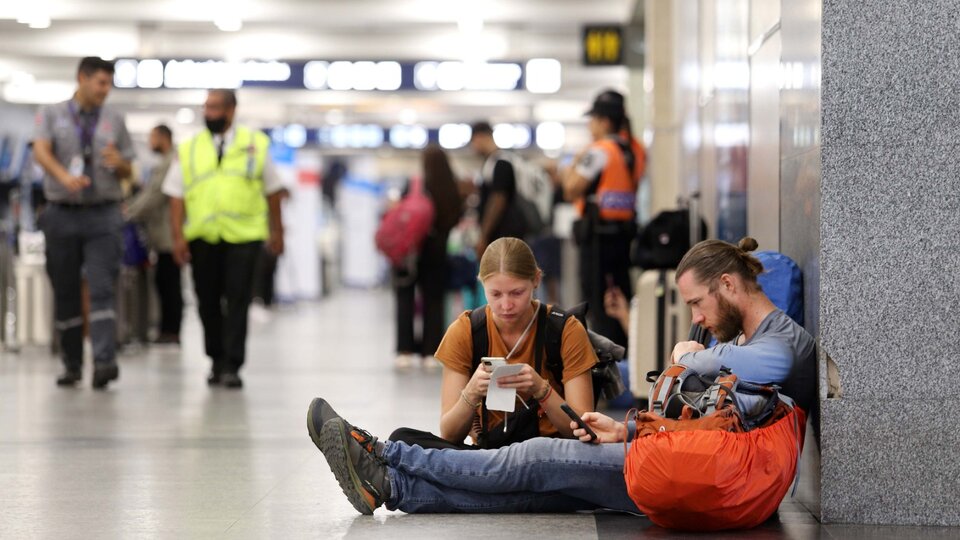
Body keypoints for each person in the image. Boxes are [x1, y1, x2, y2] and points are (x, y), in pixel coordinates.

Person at [307, 237, 815, 514]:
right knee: (536, 491)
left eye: (698, 304)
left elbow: (771, 367)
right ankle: (391, 487)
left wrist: (694, 358)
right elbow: (705, 424)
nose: (697, 319)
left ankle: (380, 453)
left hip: (715, 477)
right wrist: (630, 428)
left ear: (728, 284)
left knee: (534, 457)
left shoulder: (783, 340)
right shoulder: (736, 340)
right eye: (496, 295)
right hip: (688, 463)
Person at [389, 237, 598, 450]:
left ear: (536, 280)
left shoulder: (565, 330)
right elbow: (450, 435)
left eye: (517, 293)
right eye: (495, 294)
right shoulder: (466, 330)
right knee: (401, 439)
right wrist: (471, 393)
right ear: (482, 284)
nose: (506, 305)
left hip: (549, 454)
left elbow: (582, 430)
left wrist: (541, 389)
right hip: (489, 456)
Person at [163, 89, 285, 389]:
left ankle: (232, 364)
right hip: (203, 237)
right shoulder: (190, 147)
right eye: (206, 108)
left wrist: (277, 231)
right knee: (207, 301)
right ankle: (215, 359)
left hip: (244, 237)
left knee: (238, 300)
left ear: (231, 110)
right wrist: (177, 237)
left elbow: (273, 191)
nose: (209, 113)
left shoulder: (255, 144)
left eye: (215, 108)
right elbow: (176, 196)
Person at [32, 56, 135, 389]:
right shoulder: (52, 114)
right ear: (82, 78)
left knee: (103, 288)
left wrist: (120, 163)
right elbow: (41, 151)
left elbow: (129, 170)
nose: (106, 90)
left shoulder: (115, 119)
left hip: (103, 214)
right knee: (65, 291)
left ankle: (104, 362)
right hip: (61, 212)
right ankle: (72, 363)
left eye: (109, 84)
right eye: (100, 83)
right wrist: (64, 177)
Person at [562, 90, 645, 349]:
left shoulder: (599, 151)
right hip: (623, 236)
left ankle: (604, 358)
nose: (590, 126)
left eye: (593, 119)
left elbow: (571, 189)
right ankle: (627, 351)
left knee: (597, 304)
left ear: (605, 121)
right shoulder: (636, 150)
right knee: (620, 297)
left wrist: (574, 162)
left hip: (597, 240)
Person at [394, 145, 463, 369]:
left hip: (411, 250)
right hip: (438, 251)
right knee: (434, 301)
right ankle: (430, 352)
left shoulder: (415, 185)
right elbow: (456, 217)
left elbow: (401, 214)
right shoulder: (452, 187)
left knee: (406, 298)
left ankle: (404, 351)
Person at [125, 124, 182, 345]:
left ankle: (171, 331)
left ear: (163, 138)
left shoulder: (170, 163)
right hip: (163, 234)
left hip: (169, 235)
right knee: (164, 281)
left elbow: (154, 195)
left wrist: (129, 212)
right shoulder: (166, 162)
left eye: (152, 137)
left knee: (169, 283)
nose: (150, 143)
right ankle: (167, 329)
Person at [469, 121, 519, 259]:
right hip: (502, 234)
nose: (474, 147)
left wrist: (484, 236)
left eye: (473, 141)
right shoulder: (492, 162)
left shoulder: (501, 162)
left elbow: (498, 200)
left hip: (503, 235)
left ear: (481, 137)